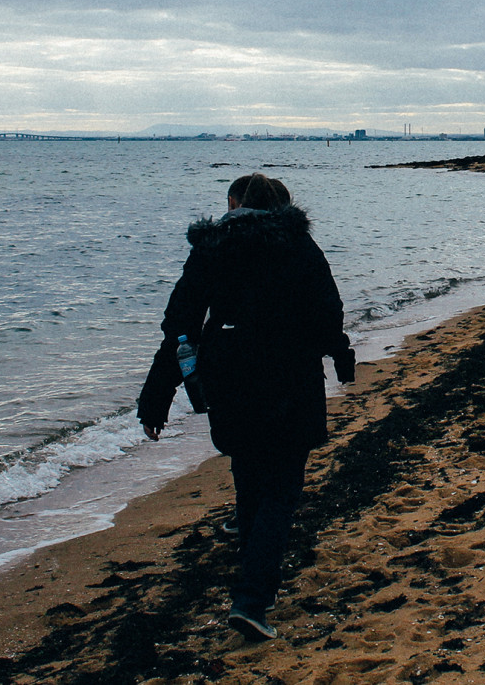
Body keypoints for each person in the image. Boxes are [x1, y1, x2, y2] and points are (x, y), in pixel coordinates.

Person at [138, 172, 357, 642]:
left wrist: (157, 393)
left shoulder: (212, 247)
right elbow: (326, 310)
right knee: (280, 488)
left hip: (229, 375)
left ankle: (253, 590)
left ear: (235, 203)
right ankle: (253, 599)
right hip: (289, 375)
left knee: (250, 476)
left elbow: (180, 325)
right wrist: (340, 355)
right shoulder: (299, 246)